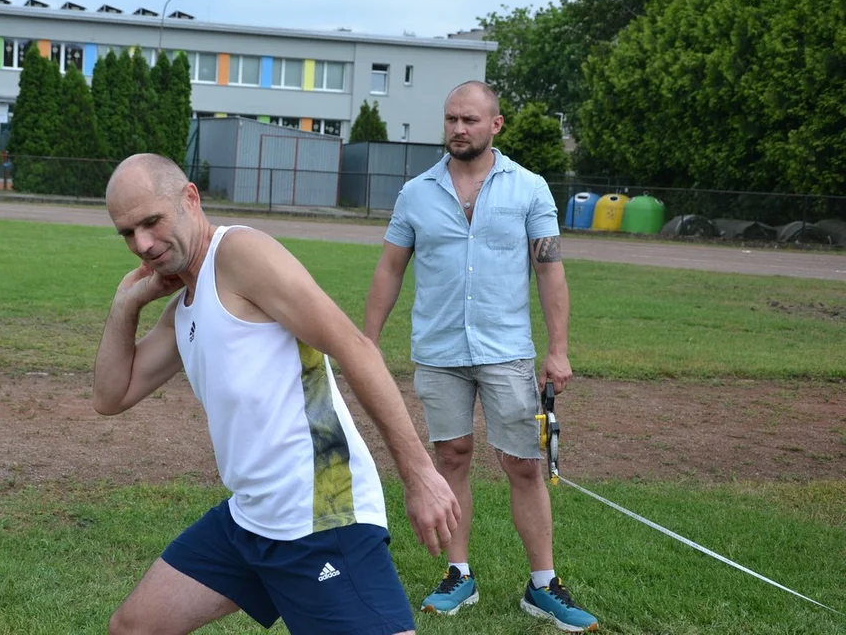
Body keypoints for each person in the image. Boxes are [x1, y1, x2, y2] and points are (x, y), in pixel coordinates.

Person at [93, 152, 461, 635]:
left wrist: (419, 474)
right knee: (133, 627)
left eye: (151, 222)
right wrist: (126, 302)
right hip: (250, 519)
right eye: (127, 233)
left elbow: (354, 348)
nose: (142, 243)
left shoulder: (238, 254)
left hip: (321, 517)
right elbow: (110, 396)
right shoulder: (185, 306)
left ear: (190, 199)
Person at [362, 82, 599, 632]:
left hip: (505, 352)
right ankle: (458, 574)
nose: (458, 128)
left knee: (523, 465)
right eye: (450, 119)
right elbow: (390, 269)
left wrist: (558, 349)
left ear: (496, 124)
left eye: (469, 119)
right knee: (451, 460)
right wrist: (366, 343)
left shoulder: (530, 189)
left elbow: (550, 270)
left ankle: (543, 586)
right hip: (439, 352)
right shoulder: (416, 193)